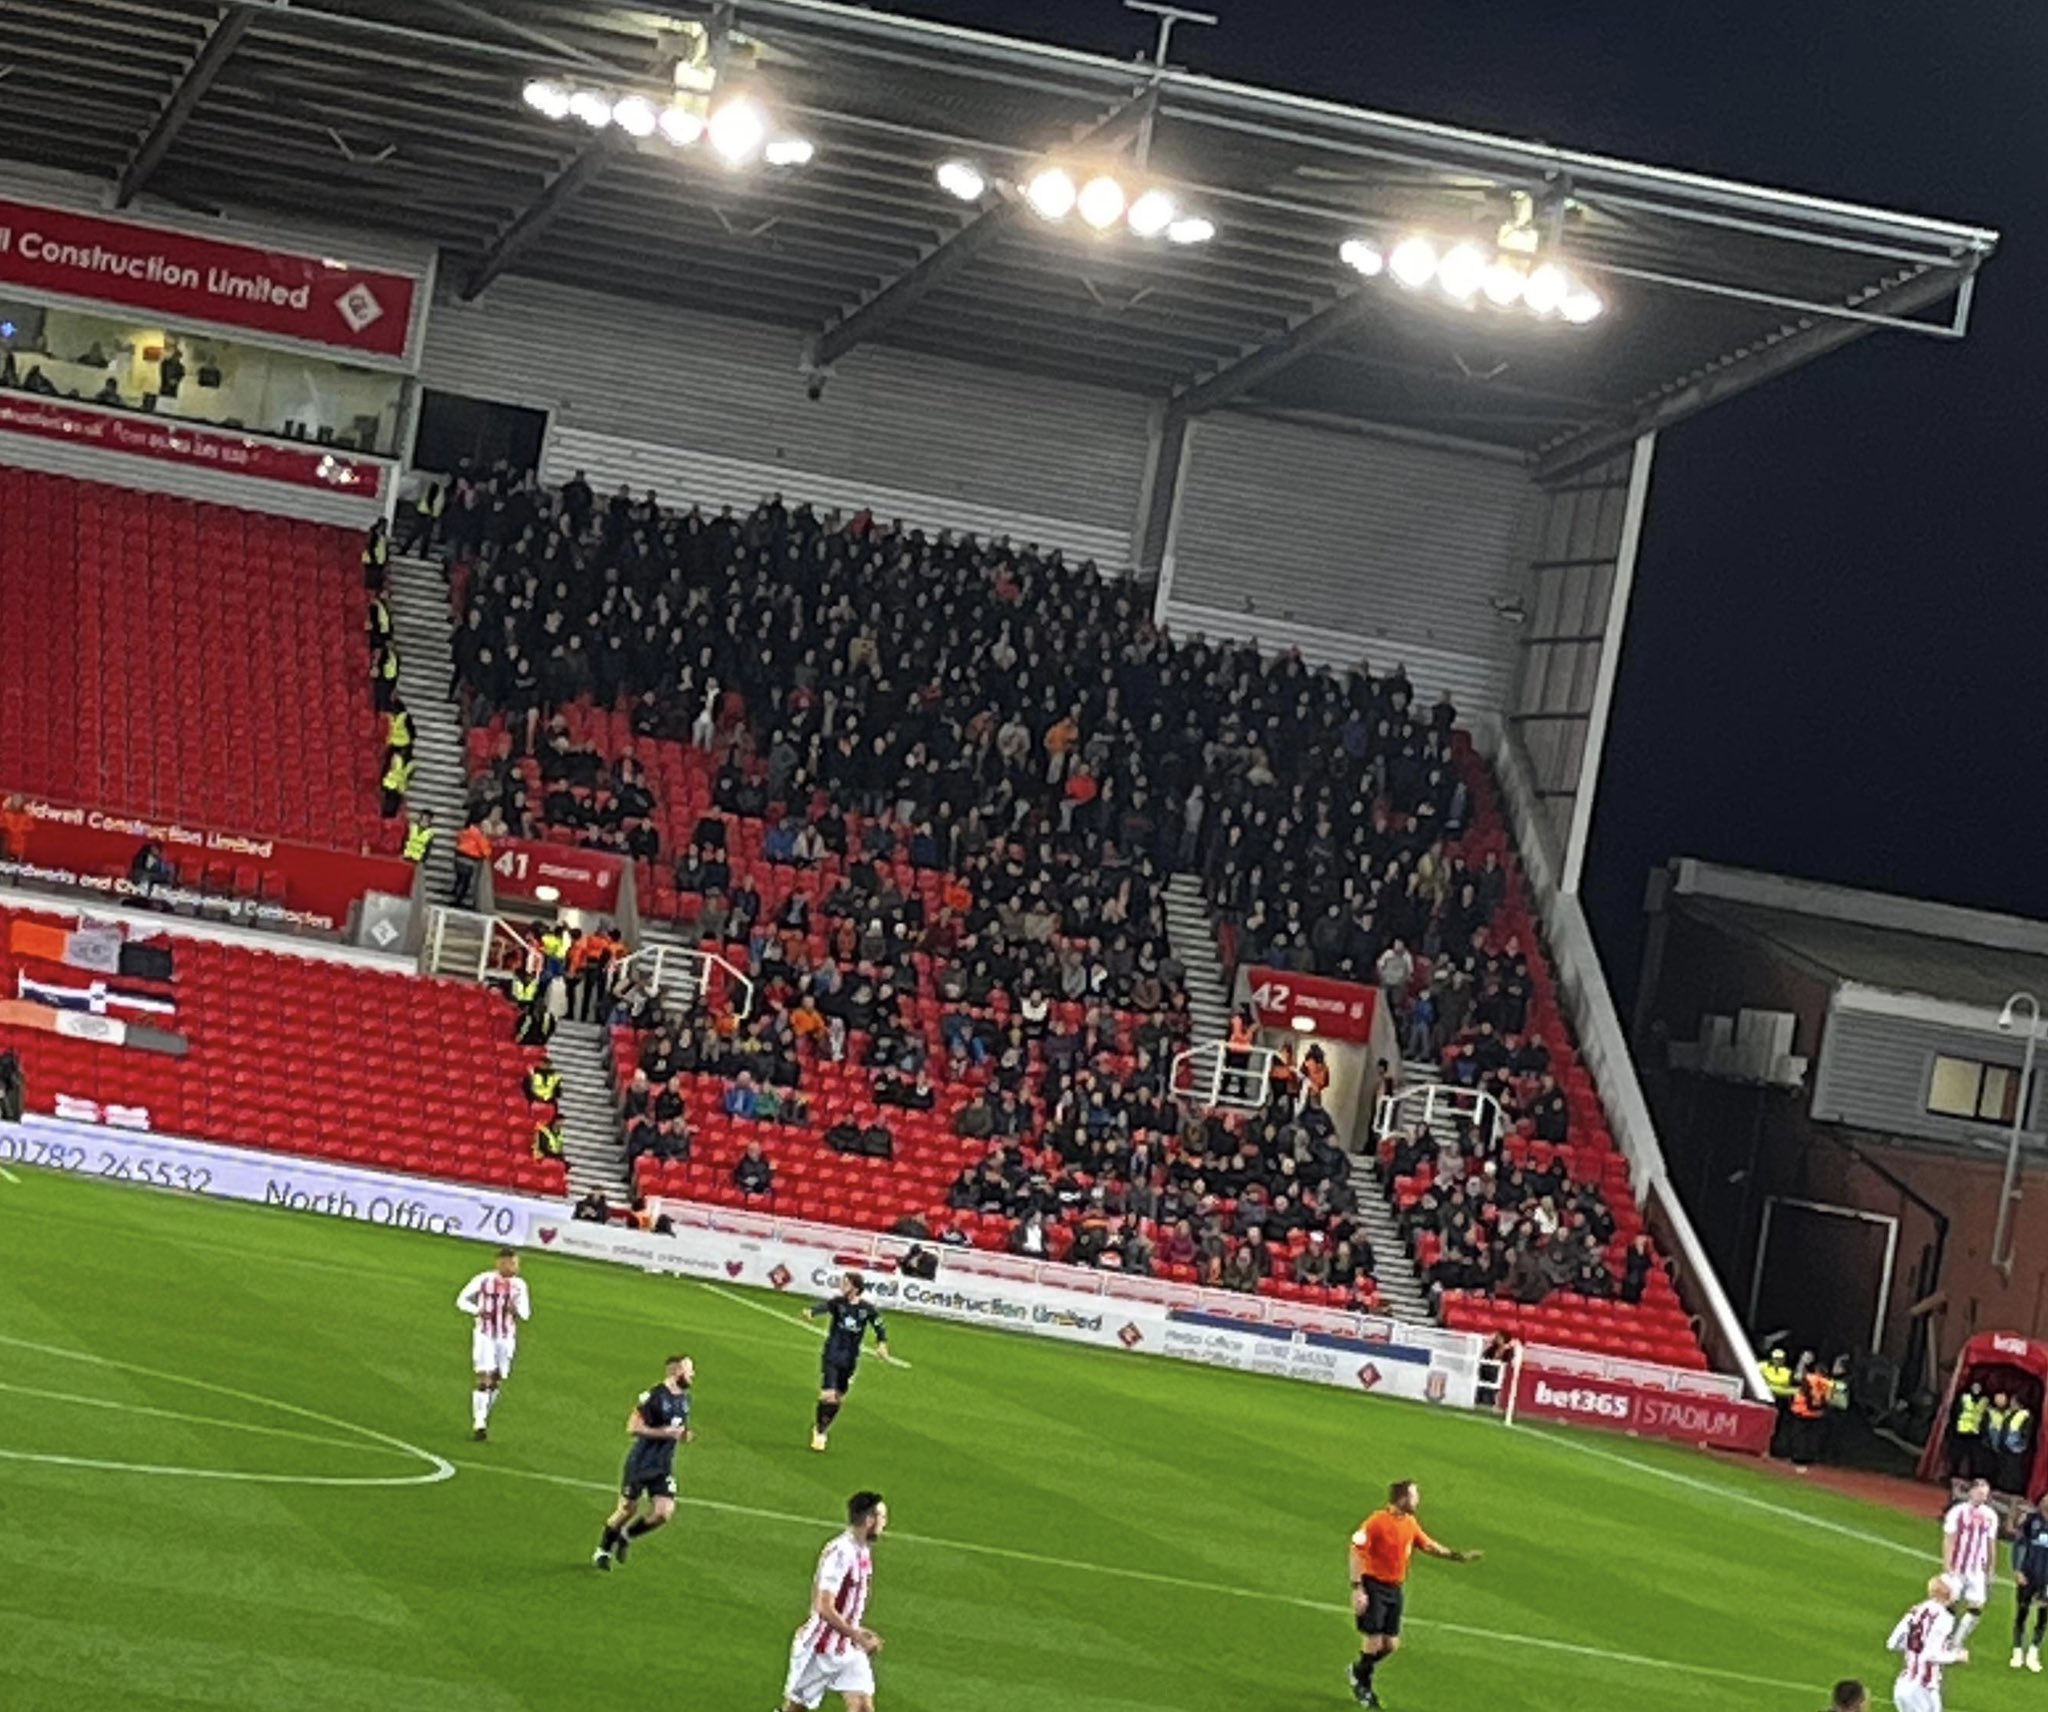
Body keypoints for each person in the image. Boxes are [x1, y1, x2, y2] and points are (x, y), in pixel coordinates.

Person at [1347, 1478, 1482, 1707]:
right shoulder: (1377, 1521)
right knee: (1373, 1639)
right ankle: (1364, 1686)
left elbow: (1427, 1544)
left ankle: (1358, 1670)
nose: (1418, 1500)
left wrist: (1456, 1556)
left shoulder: (1409, 1522)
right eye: (1414, 1495)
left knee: (1391, 1645)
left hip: (1394, 1588)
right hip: (1374, 1585)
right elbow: (1355, 1550)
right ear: (1402, 1498)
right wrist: (1358, 1588)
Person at [779, 1490, 888, 1712]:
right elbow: (824, 1606)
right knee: (795, 1709)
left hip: (848, 1649)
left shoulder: (863, 1551)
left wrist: (856, 1631)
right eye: (882, 1517)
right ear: (869, 1521)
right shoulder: (841, 1553)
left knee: (863, 1708)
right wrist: (857, 1635)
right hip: (819, 1650)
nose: (885, 1524)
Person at [592, 1354, 695, 1571]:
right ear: (676, 1371)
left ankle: (627, 1536)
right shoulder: (654, 1396)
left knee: (663, 1513)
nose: (692, 1374)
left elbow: (678, 1429)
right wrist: (663, 1432)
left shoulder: (685, 1400)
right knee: (627, 1510)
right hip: (641, 1463)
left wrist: (683, 1435)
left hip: (663, 1466)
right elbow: (632, 1427)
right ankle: (603, 1549)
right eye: (689, 1370)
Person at [805, 1272, 892, 1452]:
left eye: (845, 1283)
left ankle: (823, 1426)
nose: (842, 1286)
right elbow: (824, 1307)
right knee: (827, 1395)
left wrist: (882, 1344)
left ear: (855, 1287)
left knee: (838, 1398)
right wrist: (812, 1312)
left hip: (850, 1358)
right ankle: (820, 1433)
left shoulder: (867, 1309)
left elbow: (878, 1325)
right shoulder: (838, 1303)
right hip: (832, 1353)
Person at [455, 1249, 531, 1440]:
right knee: (484, 1375)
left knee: (497, 1378)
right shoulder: (483, 1280)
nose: (515, 1267)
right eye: (511, 1263)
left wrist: (515, 1310)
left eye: (516, 1264)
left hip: (506, 1338)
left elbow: (526, 1313)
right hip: (484, 1335)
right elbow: (461, 1300)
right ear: (500, 1263)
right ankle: (479, 1422)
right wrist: (477, 1310)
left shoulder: (519, 1286)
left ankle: (484, 1415)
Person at [1888, 1574, 1969, 1712]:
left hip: (1902, 1686)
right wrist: (1956, 1656)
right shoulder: (1945, 1618)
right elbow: (1930, 1654)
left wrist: (1914, 1647)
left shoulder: (1918, 1610)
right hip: (1923, 1689)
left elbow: (1892, 1643)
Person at [1943, 1478, 2001, 1644]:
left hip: (1976, 1569)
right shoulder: (1957, 1511)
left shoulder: (1990, 1516)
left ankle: (1957, 1641)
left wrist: (1990, 1569)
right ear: (1971, 1492)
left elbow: (1991, 1543)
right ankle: (1943, 1637)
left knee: (1976, 1607)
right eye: (1979, 1492)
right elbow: (1949, 1538)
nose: (1981, 1496)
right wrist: (1947, 1564)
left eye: (1985, 1494)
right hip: (1957, 1566)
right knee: (1949, 1602)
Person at [2011, 1492, 2048, 1671]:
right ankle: (2017, 1651)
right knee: (2022, 1612)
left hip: (2046, 1580)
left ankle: (2033, 1652)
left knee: (2043, 1617)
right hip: (2028, 1576)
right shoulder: (2031, 1520)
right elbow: (2019, 1544)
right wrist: (2017, 1569)